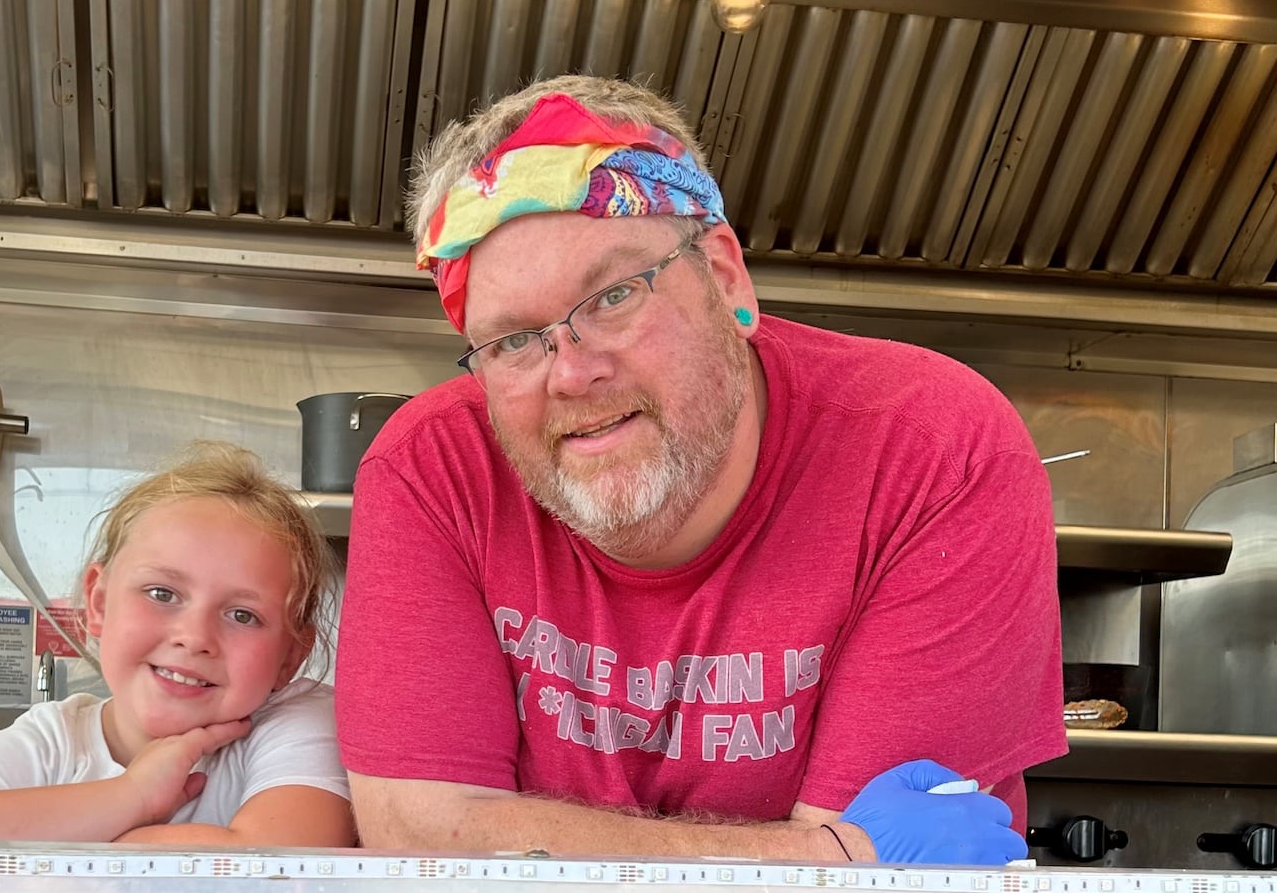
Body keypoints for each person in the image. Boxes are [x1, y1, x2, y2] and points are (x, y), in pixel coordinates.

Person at [334, 75, 1065, 865]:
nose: (571, 375)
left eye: (613, 296)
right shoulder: (431, 472)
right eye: (512, 341)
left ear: (723, 277)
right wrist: (825, 859)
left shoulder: (932, 451)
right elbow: (419, 842)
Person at [0, 442, 354, 847]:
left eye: (243, 615)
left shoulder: (298, 721)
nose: (195, 637)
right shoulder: (53, 740)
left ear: (291, 655)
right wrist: (130, 796)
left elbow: (279, 862)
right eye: (162, 593)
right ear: (98, 602)